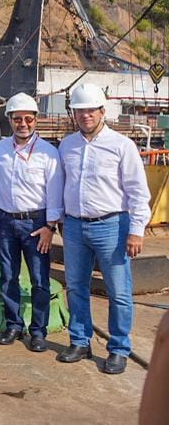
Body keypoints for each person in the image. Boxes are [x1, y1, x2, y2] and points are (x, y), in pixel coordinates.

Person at [55, 83, 151, 375]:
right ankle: (81, 341)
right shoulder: (67, 145)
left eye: (90, 110)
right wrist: (58, 219)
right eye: (79, 111)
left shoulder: (122, 146)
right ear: (74, 113)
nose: (85, 115)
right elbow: (60, 185)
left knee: (119, 291)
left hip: (112, 226)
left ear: (102, 111)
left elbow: (138, 192)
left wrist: (136, 230)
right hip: (73, 226)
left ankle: (119, 348)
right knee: (76, 287)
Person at [0, 92, 63, 352]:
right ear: (9, 119)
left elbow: (55, 192)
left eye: (28, 119)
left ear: (36, 120)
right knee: (8, 276)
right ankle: (13, 324)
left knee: (39, 279)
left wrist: (50, 227)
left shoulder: (48, 153)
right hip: (6, 221)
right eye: (17, 119)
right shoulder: (1, 148)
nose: (23, 124)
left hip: (36, 224)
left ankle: (38, 331)